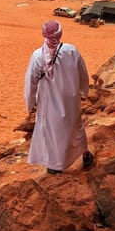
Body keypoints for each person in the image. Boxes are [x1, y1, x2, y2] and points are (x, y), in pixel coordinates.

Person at [24, 20, 94, 174]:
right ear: (60, 34)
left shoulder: (37, 56)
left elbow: (31, 82)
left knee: (52, 133)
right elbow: (83, 73)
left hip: (49, 102)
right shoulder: (71, 51)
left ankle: (55, 166)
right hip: (71, 99)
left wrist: (30, 103)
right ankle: (85, 155)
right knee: (76, 128)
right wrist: (84, 91)